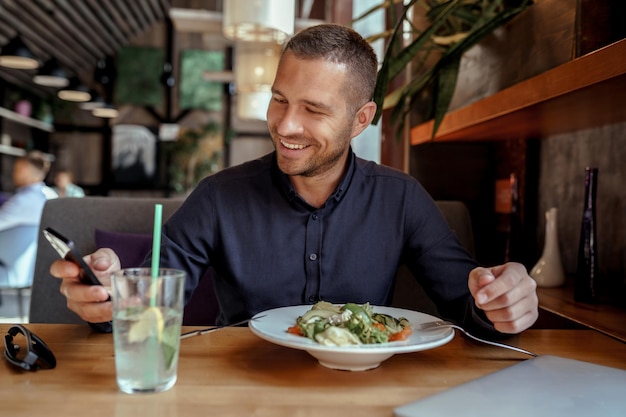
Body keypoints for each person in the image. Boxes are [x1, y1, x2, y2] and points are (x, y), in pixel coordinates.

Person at [51, 24, 538, 336]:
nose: (285, 125)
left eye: (314, 109)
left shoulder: (401, 198)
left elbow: (469, 300)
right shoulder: (220, 196)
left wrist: (501, 299)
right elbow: (149, 301)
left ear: (362, 118)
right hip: (240, 393)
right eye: (280, 99)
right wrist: (110, 295)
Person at [0, 150, 57, 233]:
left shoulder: (21, 201)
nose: (13, 174)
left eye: (16, 169)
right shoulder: (52, 196)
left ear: (24, 170)